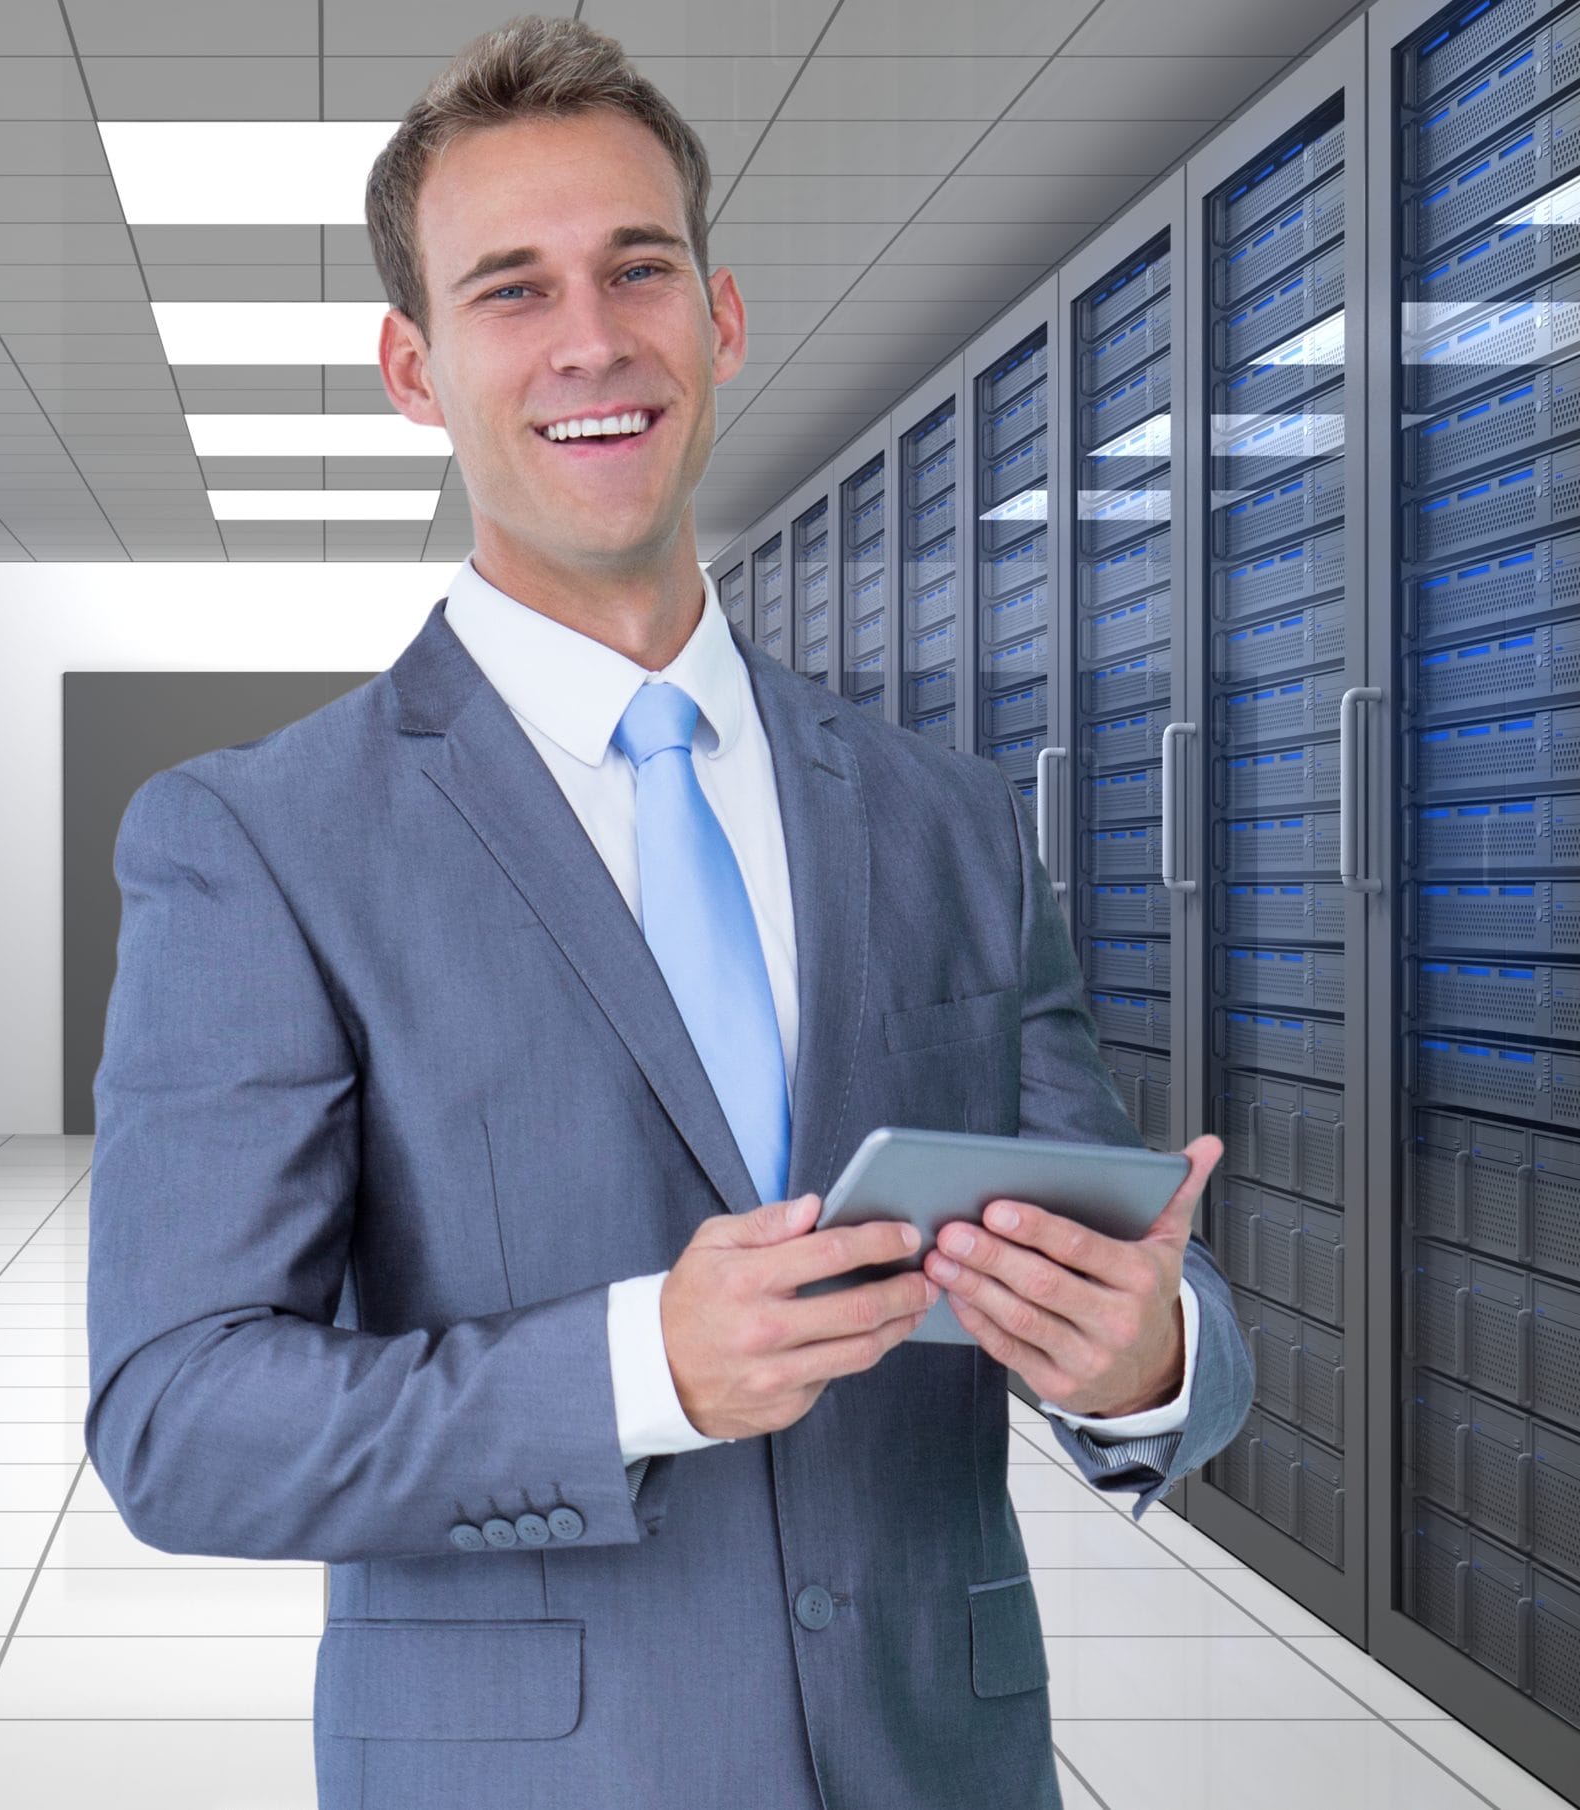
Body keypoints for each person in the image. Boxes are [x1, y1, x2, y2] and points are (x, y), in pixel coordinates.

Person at [84, 16, 1253, 1808]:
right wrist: (640, 1366)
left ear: (718, 319)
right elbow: (178, 1422)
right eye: (510, 290)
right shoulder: (259, 842)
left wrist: (1146, 1355)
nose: (590, 338)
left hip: (939, 1760)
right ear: (414, 368)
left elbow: (1094, 1258)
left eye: (639, 269)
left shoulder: (944, 818)